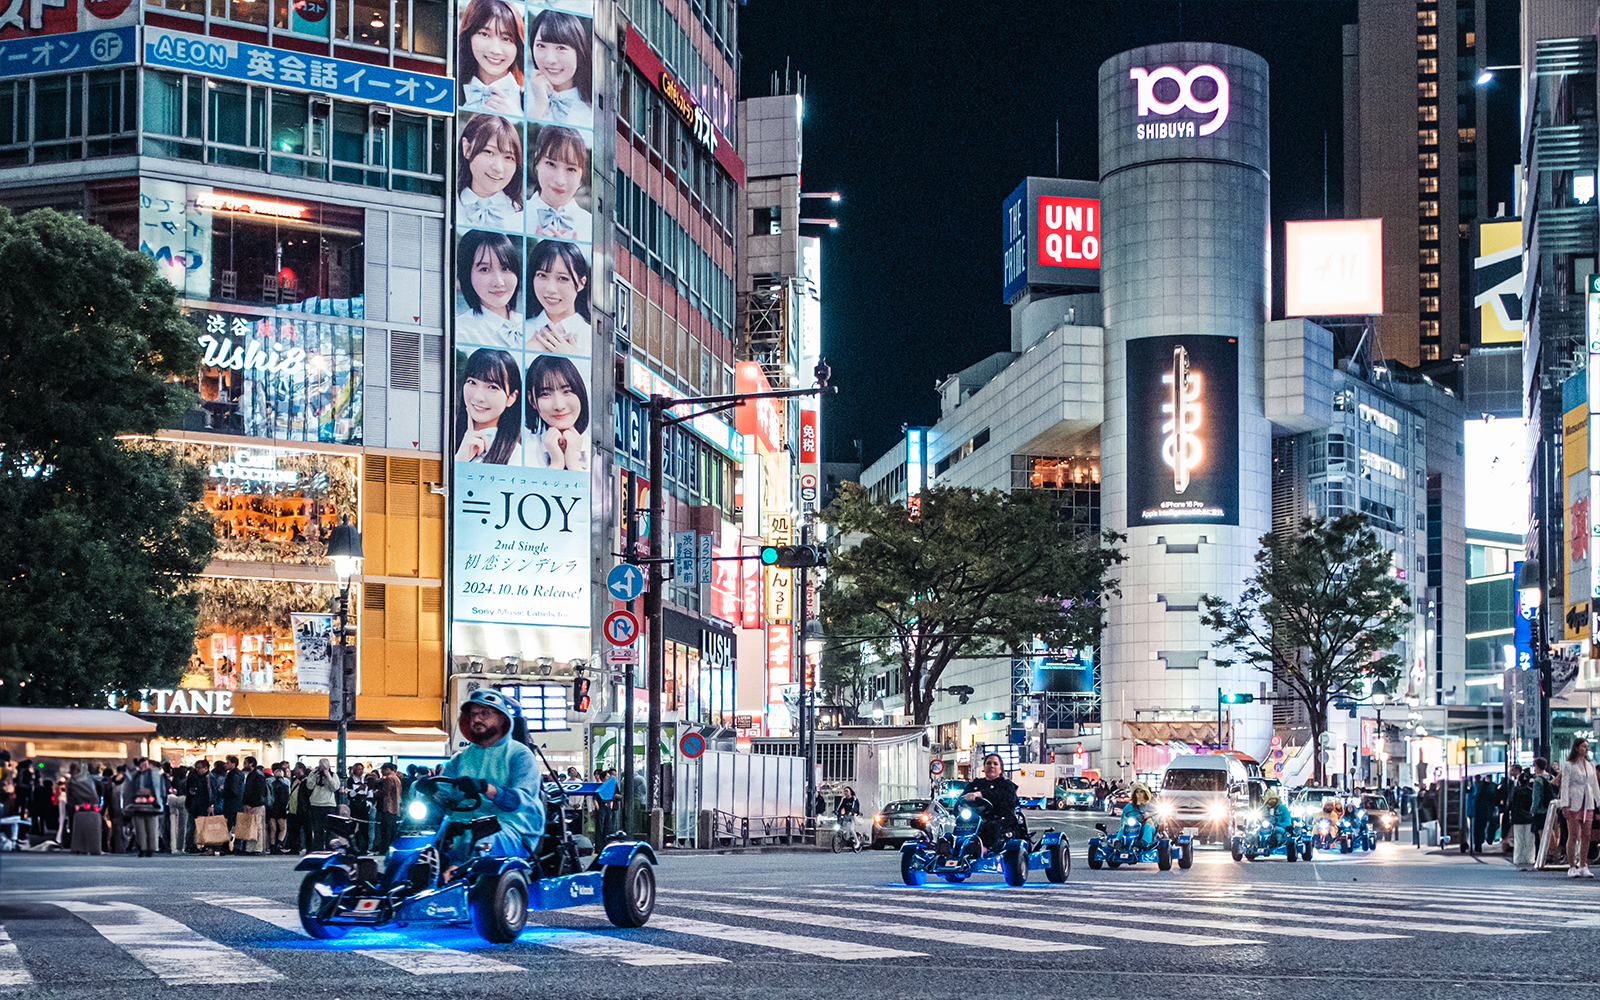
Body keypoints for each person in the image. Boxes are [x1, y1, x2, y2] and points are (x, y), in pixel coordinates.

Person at [436, 689, 543, 881]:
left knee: (482, 841)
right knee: (420, 840)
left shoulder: (520, 755)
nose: (477, 719)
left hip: (509, 825)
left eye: (485, 713)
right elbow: (443, 791)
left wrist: (485, 788)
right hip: (462, 823)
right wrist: (429, 791)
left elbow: (520, 801)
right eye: (473, 714)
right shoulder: (461, 759)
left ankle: (454, 876)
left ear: (502, 718)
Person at [455, 230, 524, 348]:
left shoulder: (531, 325)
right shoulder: (461, 331)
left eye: (505, 268)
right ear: (467, 274)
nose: (499, 282)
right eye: (484, 269)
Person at [457, 113, 525, 230]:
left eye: (508, 157)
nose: (498, 168)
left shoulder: (522, 217)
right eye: (489, 152)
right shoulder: (449, 205)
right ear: (467, 149)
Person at [454, 348, 523, 464]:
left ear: (511, 397)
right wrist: (460, 458)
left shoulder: (517, 456)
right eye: (472, 382)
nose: (478, 397)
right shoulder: (443, 437)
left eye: (492, 387)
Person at [457, 0, 524, 115]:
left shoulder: (531, 100)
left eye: (506, 39)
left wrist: (517, 120)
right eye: (484, 34)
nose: (495, 50)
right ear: (469, 37)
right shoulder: (454, 92)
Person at [526, 9, 592, 127]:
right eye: (541, 46)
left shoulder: (593, 115)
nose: (550, 59)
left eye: (561, 48)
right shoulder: (518, 98)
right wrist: (539, 105)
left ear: (579, 52)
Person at [523, 354, 590, 471]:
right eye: (545, 394)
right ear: (532, 400)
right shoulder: (523, 449)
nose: (559, 406)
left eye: (567, 391)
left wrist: (573, 462)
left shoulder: (597, 450)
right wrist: (556, 463)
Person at [525, 238, 591, 354]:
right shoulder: (520, 331)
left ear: (581, 283)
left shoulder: (592, 337)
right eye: (542, 275)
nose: (551, 289)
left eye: (563, 278)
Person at [527, 127, 592, 245]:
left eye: (571, 169)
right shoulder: (511, 219)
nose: (560, 181)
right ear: (537, 161)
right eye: (551, 164)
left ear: (581, 172)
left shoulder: (593, 228)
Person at [961, 753, 1022, 857]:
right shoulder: (975, 784)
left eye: (995, 764)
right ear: (984, 767)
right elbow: (963, 798)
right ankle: (950, 848)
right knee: (959, 826)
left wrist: (980, 795)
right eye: (988, 763)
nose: (992, 766)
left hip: (1001, 821)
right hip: (975, 820)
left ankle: (985, 850)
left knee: (991, 828)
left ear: (1001, 769)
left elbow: (1002, 798)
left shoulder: (1007, 785)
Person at [1558, 737, 1600, 877]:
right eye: (1583, 746)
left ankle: (1583, 865)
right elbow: (1565, 786)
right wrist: (1564, 804)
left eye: (1587, 746)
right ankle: (1571, 866)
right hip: (1573, 802)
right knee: (1573, 835)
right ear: (1576, 748)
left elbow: (1594, 785)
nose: (1586, 749)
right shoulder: (1569, 765)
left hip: (1588, 802)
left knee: (1587, 835)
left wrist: (1598, 803)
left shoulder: (1591, 765)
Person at [126, 757, 166, 858]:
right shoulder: (136, 776)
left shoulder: (155, 775)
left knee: (151, 828)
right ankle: (143, 848)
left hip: (152, 805)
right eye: (141, 765)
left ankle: (151, 849)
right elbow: (130, 790)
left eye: (145, 764)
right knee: (140, 829)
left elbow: (161, 789)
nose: (143, 767)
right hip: (138, 805)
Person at [1508, 767, 1537, 871]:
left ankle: (1518, 858)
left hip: (1518, 819)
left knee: (1519, 840)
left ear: (1518, 782)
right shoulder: (1531, 792)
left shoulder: (1515, 792)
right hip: (1529, 818)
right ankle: (1529, 859)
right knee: (1529, 841)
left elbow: (1510, 804)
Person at [307, 759, 339, 851]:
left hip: (329, 804)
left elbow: (335, 788)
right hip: (316, 804)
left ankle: (329, 848)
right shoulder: (313, 774)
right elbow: (309, 786)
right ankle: (318, 848)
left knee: (329, 829)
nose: (323, 769)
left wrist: (328, 776)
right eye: (321, 767)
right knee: (317, 829)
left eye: (325, 767)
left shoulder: (333, 775)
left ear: (329, 767)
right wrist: (315, 776)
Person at [239, 757, 267, 855]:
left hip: (257, 805)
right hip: (252, 804)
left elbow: (258, 792)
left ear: (251, 764)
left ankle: (258, 848)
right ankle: (251, 848)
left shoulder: (257, 776)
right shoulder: (252, 776)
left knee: (258, 827)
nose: (244, 764)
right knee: (252, 826)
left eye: (245, 763)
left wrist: (249, 804)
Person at [185, 760, 214, 853]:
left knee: (200, 826)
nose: (197, 769)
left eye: (199, 768)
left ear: (205, 768)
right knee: (193, 826)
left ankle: (200, 844)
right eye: (196, 767)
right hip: (196, 805)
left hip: (202, 805)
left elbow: (212, 793)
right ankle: (192, 844)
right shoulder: (196, 777)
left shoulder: (209, 778)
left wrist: (211, 804)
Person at [1120, 782, 1157, 852]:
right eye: (1137, 792)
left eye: (1141, 792)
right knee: (1123, 829)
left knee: (1147, 827)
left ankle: (1144, 844)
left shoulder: (1152, 806)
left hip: (1145, 827)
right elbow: (1122, 819)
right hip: (1132, 827)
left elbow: (1158, 820)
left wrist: (1149, 816)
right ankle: (1118, 843)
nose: (1139, 794)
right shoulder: (1128, 807)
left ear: (1145, 793)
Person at [377, 763, 403, 853]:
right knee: (392, 829)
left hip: (388, 806)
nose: (382, 772)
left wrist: (376, 792)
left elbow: (386, 792)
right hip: (395, 806)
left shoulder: (389, 778)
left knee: (386, 829)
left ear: (387, 769)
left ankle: (385, 849)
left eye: (383, 770)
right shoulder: (397, 778)